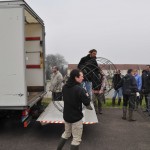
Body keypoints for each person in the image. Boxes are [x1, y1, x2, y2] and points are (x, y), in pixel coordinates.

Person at [57, 69, 92, 150]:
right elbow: (87, 103)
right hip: (76, 118)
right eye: (81, 76)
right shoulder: (79, 89)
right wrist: (87, 96)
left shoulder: (64, 87)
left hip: (66, 116)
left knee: (66, 134)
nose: (83, 78)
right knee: (76, 139)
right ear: (76, 77)